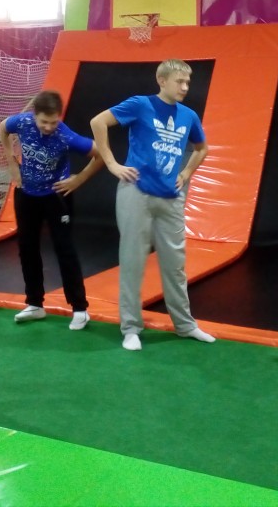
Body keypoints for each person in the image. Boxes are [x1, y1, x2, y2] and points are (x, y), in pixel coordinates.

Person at [89, 59, 215, 351]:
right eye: (179, 81)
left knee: (175, 265)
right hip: (136, 192)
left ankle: (185, 325)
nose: (185, 87)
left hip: (170, 197)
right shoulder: (140, 104)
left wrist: (186, 172)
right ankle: (131, 328)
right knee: (132, 261)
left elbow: (202, 148)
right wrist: (112, 163)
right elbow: (98, 122)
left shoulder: (188, 115)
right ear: (162, 80)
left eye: (188, 82)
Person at [0, 90, 103, 330]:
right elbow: (3, 127)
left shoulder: (65, 135)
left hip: (56, 196)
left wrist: (79, 179)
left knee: (64, 249)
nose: (48, 127)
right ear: (34, 115)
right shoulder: (22, 122)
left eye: (53, 122)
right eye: (44, 122)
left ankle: (80, 308)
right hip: (26, 193)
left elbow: (100, 154)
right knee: (27, 248)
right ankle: (35, 304)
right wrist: (12, 162)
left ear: (59, 117)